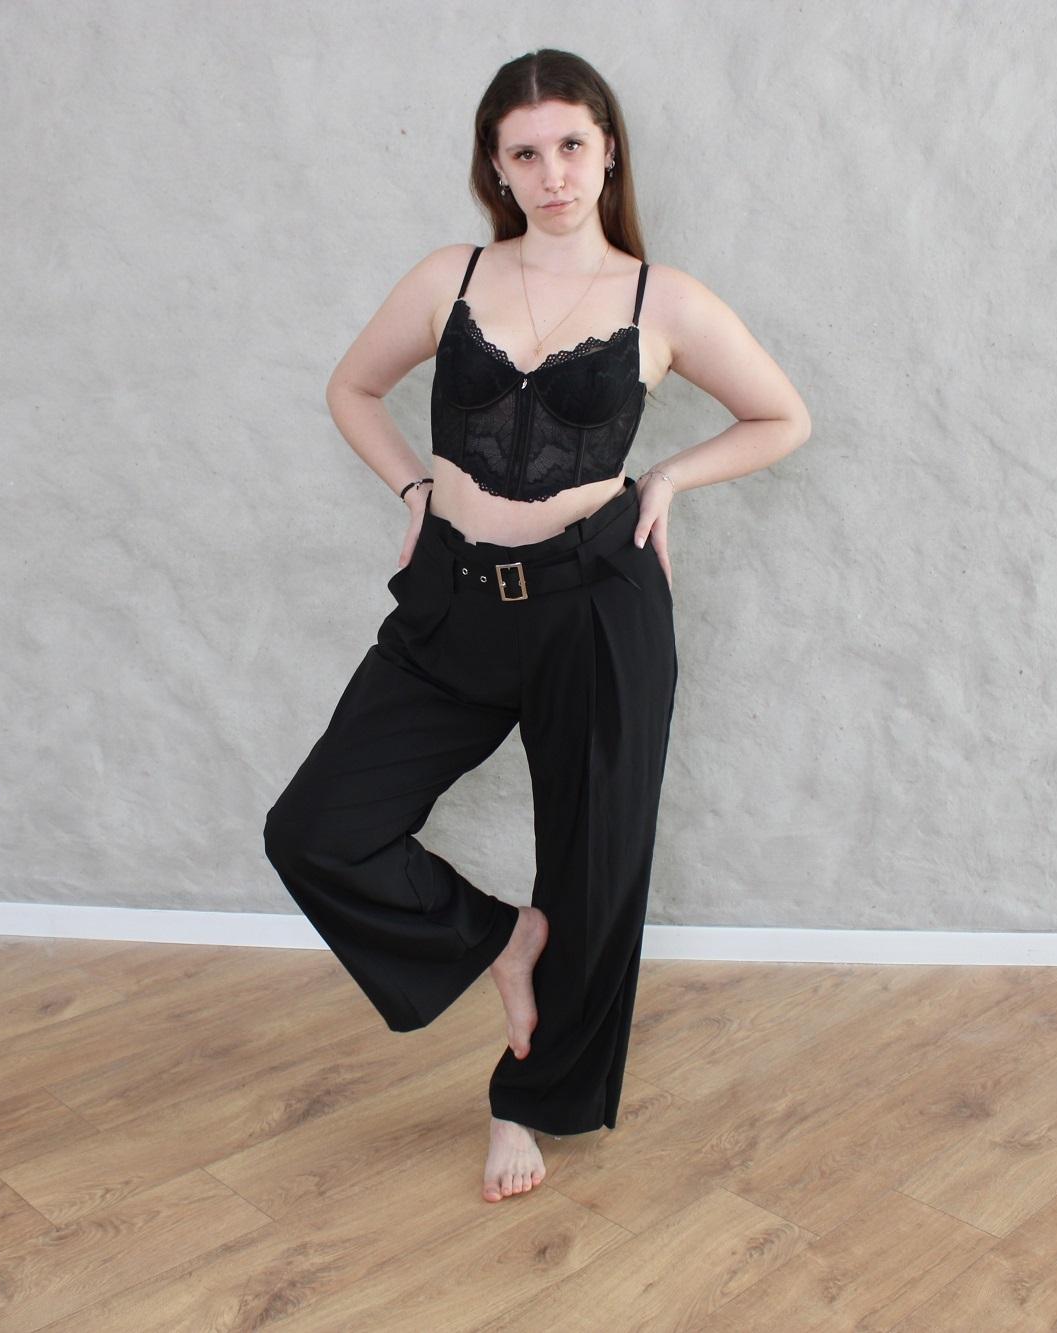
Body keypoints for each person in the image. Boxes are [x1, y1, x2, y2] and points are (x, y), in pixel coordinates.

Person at [262, 48, 811, 1204]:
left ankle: (527, 1100)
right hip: (454, 600)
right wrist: (415, 491)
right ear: (496, 168)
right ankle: (504, 941)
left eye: (570, 145)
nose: (552, 172)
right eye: (525, 152)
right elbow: (350, 389)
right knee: (317, 826)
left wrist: (667, 481)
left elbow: (780, 417)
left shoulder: (664, 300)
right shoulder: (448, 276)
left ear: (606, 153)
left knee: (594, 870)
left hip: (595, 603)